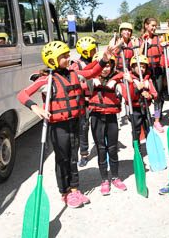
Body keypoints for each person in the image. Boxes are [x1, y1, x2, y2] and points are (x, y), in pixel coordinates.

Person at [17, 41, 117, 208]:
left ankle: (75, 190)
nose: (68, 57)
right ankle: (65, 192)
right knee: (62, 159)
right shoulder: (46, 80)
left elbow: (92, 71)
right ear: (53, 60)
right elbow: (22, 94)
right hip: (58, 127)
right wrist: (35, 108)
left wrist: (105, 58)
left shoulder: (74, 73)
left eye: (67, 54)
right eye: (64, 56)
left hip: (74, 122)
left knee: (73, 157)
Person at [86, 51, 128, 195]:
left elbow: (126, 86)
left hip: (111, 118)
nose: (106, 69)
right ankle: (104, 179)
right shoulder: (90, 79)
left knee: (112, 148)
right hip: (96, 117)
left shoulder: (116, 80)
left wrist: (119, 79)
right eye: (103, 66)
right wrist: (90, 82)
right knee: (101, 149)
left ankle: (115, 177)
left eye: (109, 66)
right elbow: (79, 80)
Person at [71, 36, 98, 167]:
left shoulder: (97, 62)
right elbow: (73, 83)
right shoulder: (76, 65)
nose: (96, 51)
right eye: (93, 49)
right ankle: (84, 154)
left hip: (97, 98)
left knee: (99, 125)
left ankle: (102, 147)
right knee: (83, 128)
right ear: (86, 52)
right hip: (85, 101)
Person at [126, 54, 157, 157]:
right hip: (134, 109)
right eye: (138, 66)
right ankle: (137, 149)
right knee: (136, 130)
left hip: (145, 108)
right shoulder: (129, 79)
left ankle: (151, 147)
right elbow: (127, 97)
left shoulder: (148, 80)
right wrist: (137, 88)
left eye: (144, 67)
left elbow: (155, 95)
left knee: (149, 127)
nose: (141, 69)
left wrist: (149, 96)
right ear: (133, 67)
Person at [141, 17, 165, 133]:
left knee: (157, 97)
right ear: (146, 25)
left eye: (155, 26)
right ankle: (144, 118)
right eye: (152, 25)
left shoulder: (158, 39)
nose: (154, 28)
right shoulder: (140, 39)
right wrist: (144, 42)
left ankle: (156, 120)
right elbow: (139, 54)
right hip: (146, 72)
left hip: (158, 71)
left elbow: (161, 53)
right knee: (144, 95)